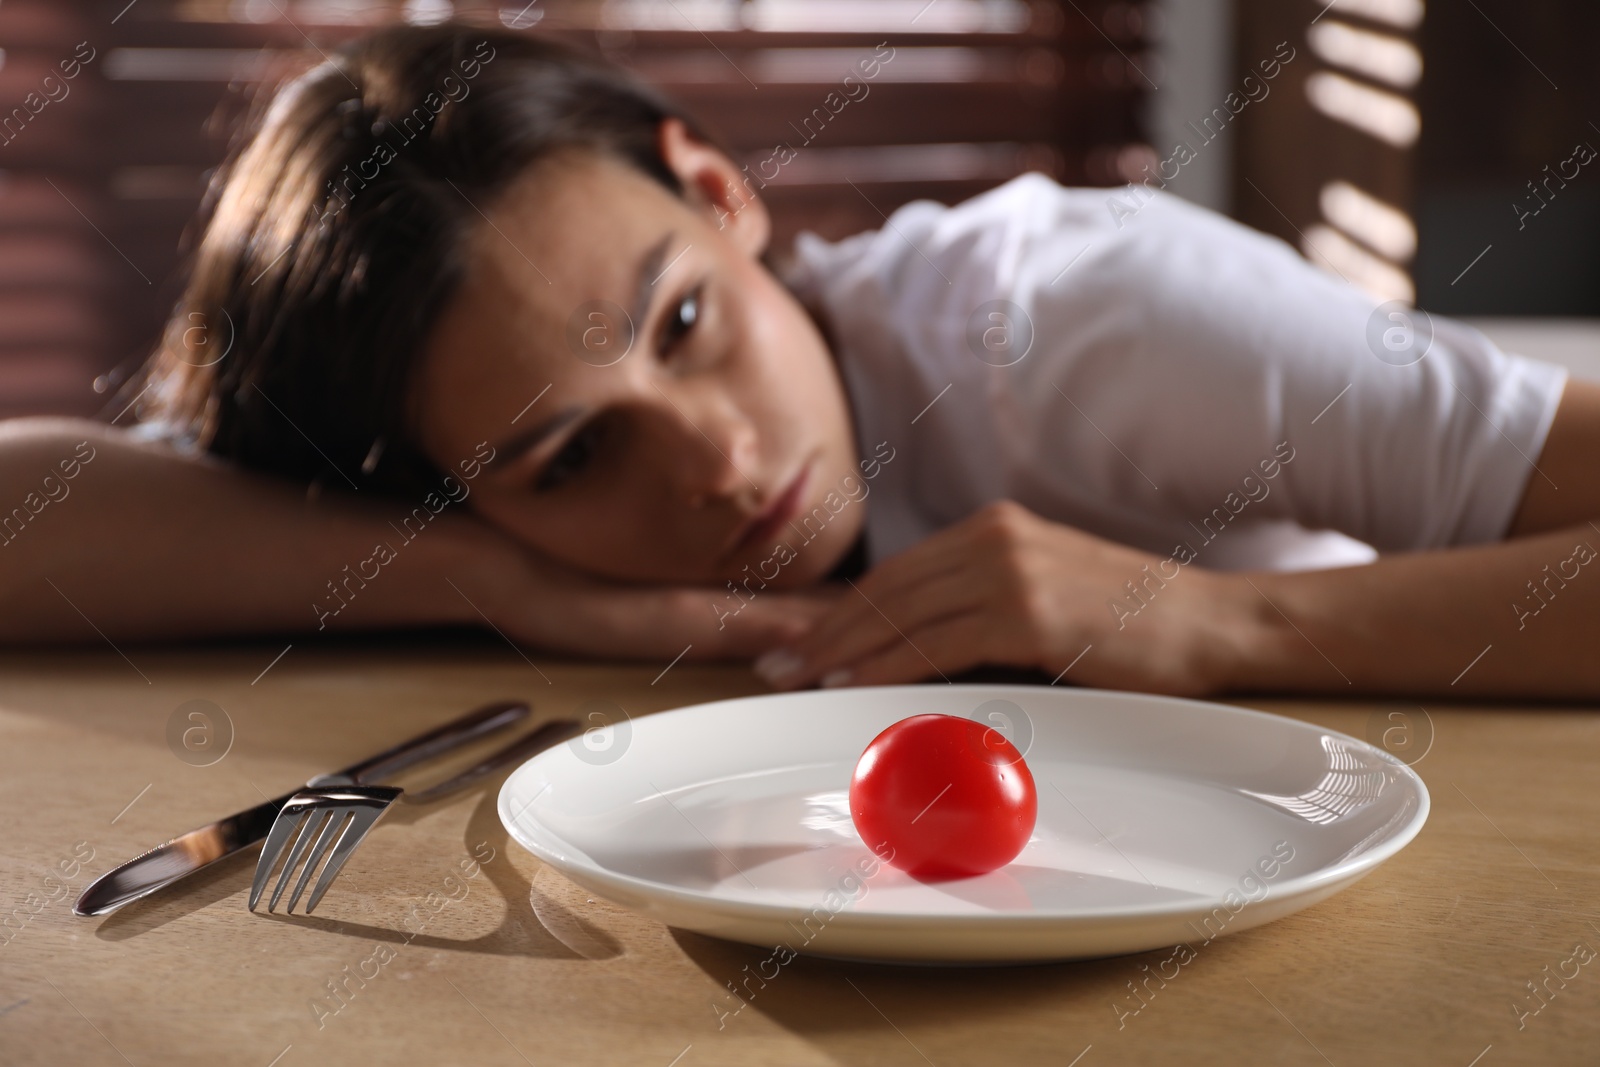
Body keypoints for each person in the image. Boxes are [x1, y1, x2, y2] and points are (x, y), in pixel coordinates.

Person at [3, 23, 1597, 701]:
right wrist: (499, 587)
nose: (709, 463)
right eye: (572, 457)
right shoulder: (449, 490)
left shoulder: (1076, 320)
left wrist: (1213, 625)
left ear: (716, 192)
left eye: (684, 322)